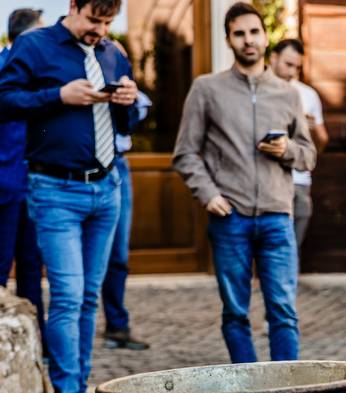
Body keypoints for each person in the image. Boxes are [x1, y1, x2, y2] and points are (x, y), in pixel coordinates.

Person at [0, 0, 139, 393]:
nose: (100, 30)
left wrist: (130, 102)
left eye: (107, 21)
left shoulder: (113, 53)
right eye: (93, 20)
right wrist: (57, 96)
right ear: (73, 6)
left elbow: (127, 121)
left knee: (86, 300)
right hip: (55, 189)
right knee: (66, 296)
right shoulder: (34, 46)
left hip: (107, 187)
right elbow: (4, 100)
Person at [173, 2, 315, 363]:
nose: (248, 40)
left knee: (283, 312)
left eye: (254, 32)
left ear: (265, 37)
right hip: (229, 218)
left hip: (276, 216)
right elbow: (185, 153)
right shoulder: (206, 89)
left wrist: (286, 150)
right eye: (239, 33)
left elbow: (308, 154)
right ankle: (248, 391)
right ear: (229, 40)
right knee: (235, 312)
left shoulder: (288, 93)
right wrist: (208, 194)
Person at [0, 8, 45, 354]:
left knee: (32, 269)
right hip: (5, 186)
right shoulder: (4, 70)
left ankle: (36, 346)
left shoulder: (39, 74)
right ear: (27, 37)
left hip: (35, 186)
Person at [102, 42, 152, 350]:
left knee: (118, 254)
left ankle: (116, 325)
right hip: (82, 167)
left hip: (118, 165)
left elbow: (136, 115)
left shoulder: (122, 73)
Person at [268, 37, 329, 250]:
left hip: (300, 182)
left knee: (292, 248)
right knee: (268, 247)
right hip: (268, 181)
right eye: (288, 64)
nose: (293, 72)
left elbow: (321, 143)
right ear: (273, 59)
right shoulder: (258, 90)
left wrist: (310, 130)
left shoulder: (307, 94)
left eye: (297, 67)